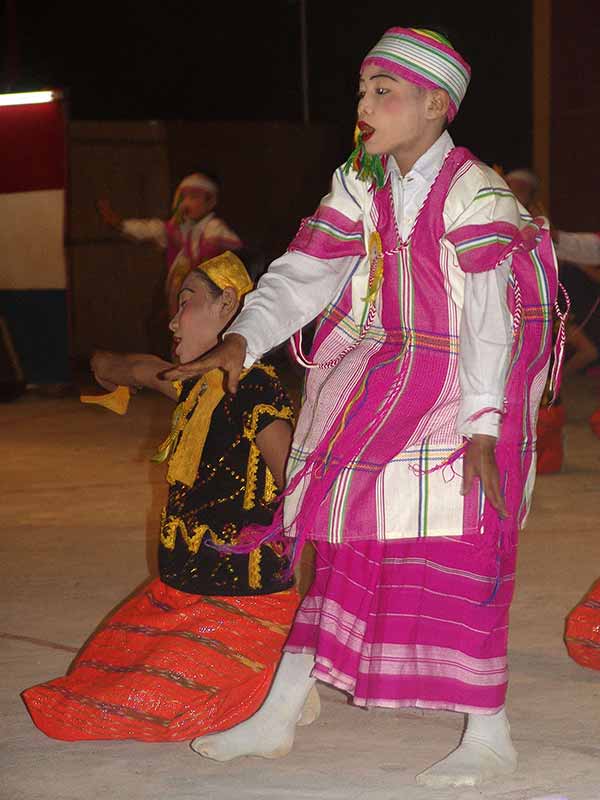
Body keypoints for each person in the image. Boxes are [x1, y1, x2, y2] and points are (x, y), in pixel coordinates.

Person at [165, 27, 558, 788]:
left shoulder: (476, 190)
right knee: (337, 531)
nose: (363, 106)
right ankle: (281, 710)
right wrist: (243, 340)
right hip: (382, 373)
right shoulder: (361, 180)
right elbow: (308, 269)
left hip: (467, 382)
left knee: (460, 544)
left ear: (437, 106)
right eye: (360, 91)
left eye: (383, 93)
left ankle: (490, 731)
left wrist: (483, 427)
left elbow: (487, 316)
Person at [21, 251, 322, 742]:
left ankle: (274, 670)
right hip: (180, 592)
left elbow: (300, 483)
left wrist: (309, 605)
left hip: (241, 602)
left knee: (132, 709)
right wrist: (105, 364)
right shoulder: (200, 388)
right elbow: (144, 370)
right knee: (89, 686)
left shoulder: (251, 389)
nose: (172, 318)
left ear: (229, 305)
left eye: (186, 302)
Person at [98, 171, 242, 317]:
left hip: (208, 301)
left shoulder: (214, 228)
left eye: (194, 197)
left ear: (210, 201)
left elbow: (232, 255)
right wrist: (120, 224)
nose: (187, 203)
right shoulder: (181, 230)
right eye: (184, 198)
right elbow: (152, 229)